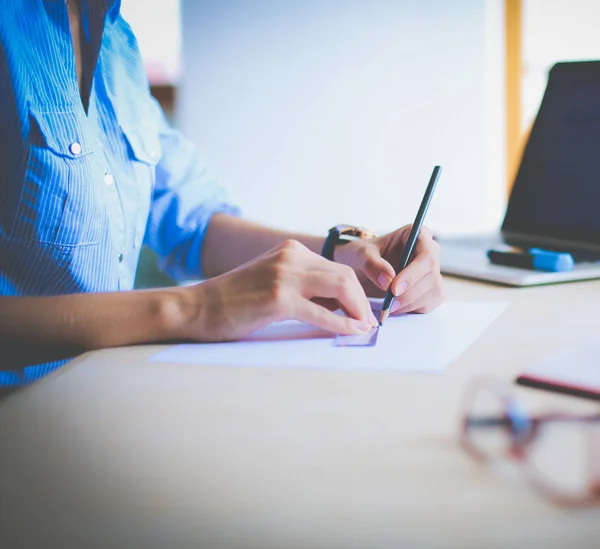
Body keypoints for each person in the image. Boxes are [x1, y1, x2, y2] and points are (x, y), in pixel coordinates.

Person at [0, 0, 444, 386]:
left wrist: (348, 256)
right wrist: (194, 307)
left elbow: (194, 226)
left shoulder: (116, 43)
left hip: (102, 398)